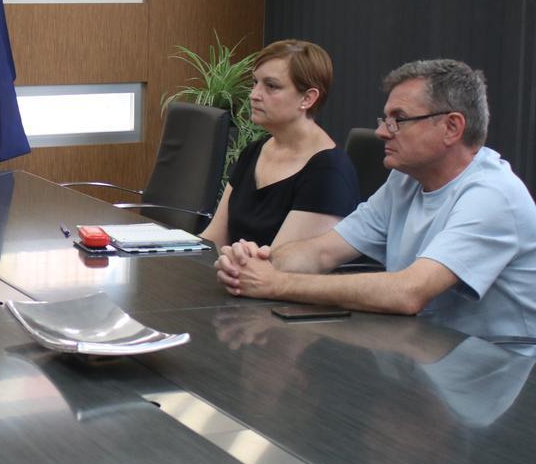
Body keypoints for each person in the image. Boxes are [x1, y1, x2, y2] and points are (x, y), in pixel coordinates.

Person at [216, 59, 536, 339]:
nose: (383, 131)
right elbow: (323, 252)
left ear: (452, 127)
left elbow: (409, 292)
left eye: (399, 118)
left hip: (496, 371)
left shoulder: (492, 196)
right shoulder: (404, 181)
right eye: (385, 119)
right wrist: (253, 263)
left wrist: (276, 284)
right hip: (420, 350)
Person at [199, 40, 359, 247]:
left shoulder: (328, 172)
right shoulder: (253, 151)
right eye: (255, 82)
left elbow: (281, 261)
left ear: (307, 98)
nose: (254, 95)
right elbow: (214, 239)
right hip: (235, 266)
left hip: (268, 268)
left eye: (271, 86)